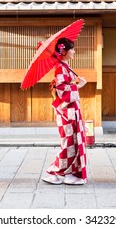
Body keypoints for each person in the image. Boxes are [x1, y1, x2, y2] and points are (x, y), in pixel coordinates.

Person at [42, 37, 88, 185]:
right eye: (72, 49)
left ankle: (69, 174)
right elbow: (61, 90)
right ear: (64, 51)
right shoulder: (61, 68)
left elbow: (66, 86)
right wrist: (78, 86)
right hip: (66, 112)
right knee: (68, 143)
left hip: (71, 110)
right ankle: (52, 171)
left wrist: (76, 82)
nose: (74, 51)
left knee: (74, 143)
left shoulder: (65, 67)